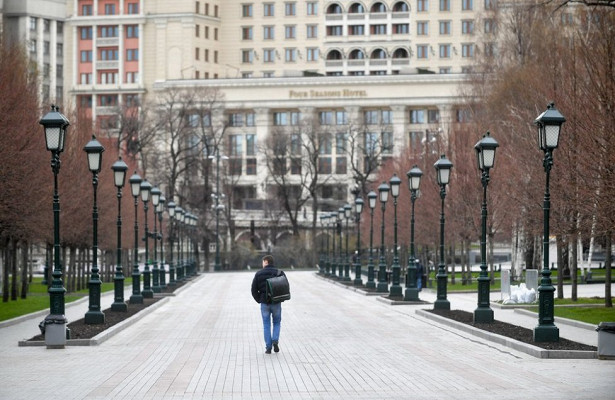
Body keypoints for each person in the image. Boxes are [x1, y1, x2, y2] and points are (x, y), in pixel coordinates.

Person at [251, 255, 285, 354]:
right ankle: (275, 340)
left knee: (266, 324)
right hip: (276, 302)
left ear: (266, 262)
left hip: (264, 303)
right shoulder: (279, 273)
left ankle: (268, 347)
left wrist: (260, 299)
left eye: (263, 262)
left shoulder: (259, 274)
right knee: (277, 322)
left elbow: (253, 290)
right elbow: (284, 286)